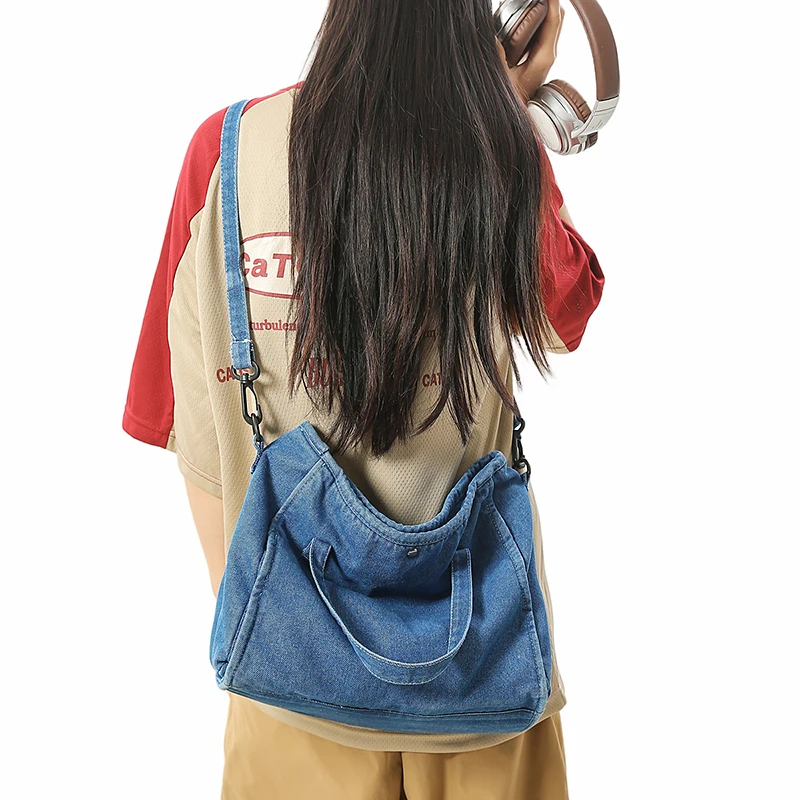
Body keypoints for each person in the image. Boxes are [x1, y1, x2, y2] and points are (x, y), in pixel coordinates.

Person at [121, 1, 604, 797]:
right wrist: (507, 114)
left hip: (288, 707)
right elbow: (567, 314)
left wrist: (278, 637)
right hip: (483, 693)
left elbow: (189, 430)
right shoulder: (502, 154)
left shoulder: (226, 153)